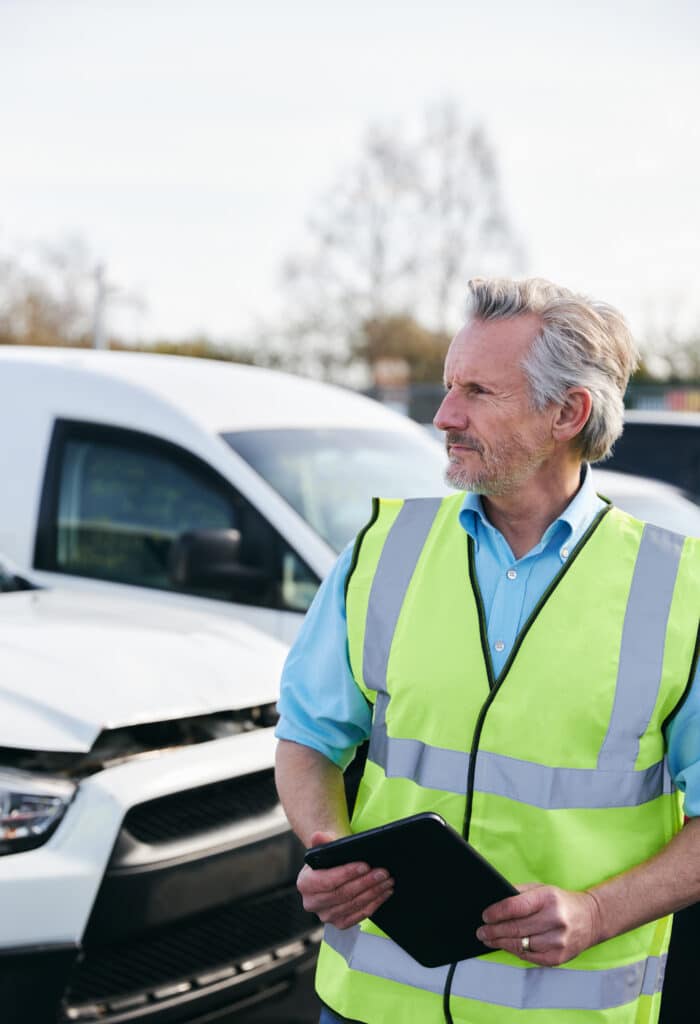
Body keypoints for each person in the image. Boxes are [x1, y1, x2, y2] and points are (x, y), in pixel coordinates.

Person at [274, 277, 700, 1024]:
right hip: (369, 1008)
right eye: (447, 386)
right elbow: (306, 738)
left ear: (568, 412)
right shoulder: (384, 550)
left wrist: (597, 910)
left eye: (476, 390)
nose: (443, 415)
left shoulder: (681, 589)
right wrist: (327, 847)